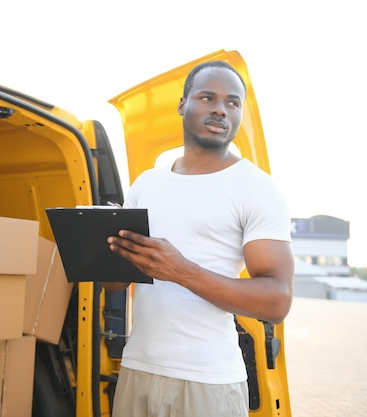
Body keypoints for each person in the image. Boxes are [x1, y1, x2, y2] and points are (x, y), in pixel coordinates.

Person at [101, 60, 295, 417]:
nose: (221, 109)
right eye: (208, 97)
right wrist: (101, 245)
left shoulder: (257, 189)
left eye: (233, 102)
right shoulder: (147, 183)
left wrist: (181, 270)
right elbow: (115, 284)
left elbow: (277, 301)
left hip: (209, 382)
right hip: (137, 370)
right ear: (182, 104)